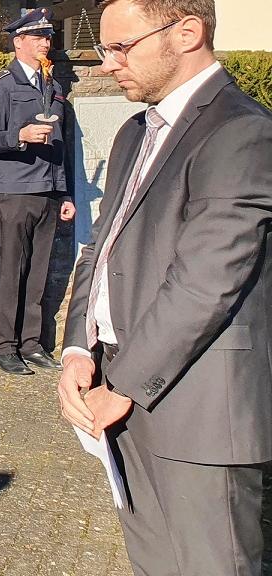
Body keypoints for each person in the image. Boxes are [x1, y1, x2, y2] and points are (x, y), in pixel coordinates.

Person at [58, 1, 272, 573]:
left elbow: (205, 283)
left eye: (121, 47)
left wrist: (120, 384)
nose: (107, 64)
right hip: (122, 393)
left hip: (200, 408)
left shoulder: (242, 132)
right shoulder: (136, 131)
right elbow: (99, 247)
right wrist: (79, 347)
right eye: (105, 48)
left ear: (187, 33)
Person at [0, 8, 76, 375]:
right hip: (15, 188)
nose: (45, 43)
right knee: (11, 270)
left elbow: (62, 144)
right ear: (19, 42)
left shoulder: (53, 85)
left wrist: (65, 194)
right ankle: (3, 346)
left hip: (48, 188)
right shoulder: (2, 84)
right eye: (38, 37)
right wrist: (19, 136)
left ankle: (32, 344)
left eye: (48, 37)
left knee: (39, 271)